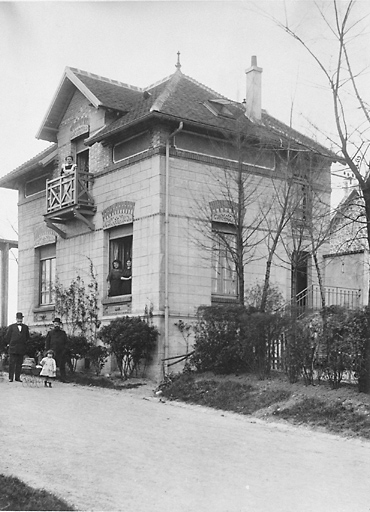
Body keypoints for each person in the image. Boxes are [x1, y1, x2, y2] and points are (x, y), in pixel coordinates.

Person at [6, 312, 30, 382]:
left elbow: (27, 337)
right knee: (12, 363)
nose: (20, 320)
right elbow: (7, 337)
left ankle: (17, 377)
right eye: (18, 319)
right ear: (16, 319)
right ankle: (10, 378)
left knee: (19, 363)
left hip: (21, 348)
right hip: (13, 348)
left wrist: (24, 344)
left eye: (21, 319)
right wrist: (9, 344)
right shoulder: (11, 327)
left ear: (22, 319)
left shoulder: (25, 327)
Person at [45, 318, 68, 382]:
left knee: (61, 365)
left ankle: (63, 378)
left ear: (60, 325)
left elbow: (66, 342)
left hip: (61, 352)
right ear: (53, 324)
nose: (56, 325)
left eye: (58, 324)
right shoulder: (50, 333)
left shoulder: (63, 333)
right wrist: (48, 351)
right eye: (55, 324)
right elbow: (47, 342)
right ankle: (50, 378)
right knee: (50, 365)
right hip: (52, 351)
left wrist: (64, 350)